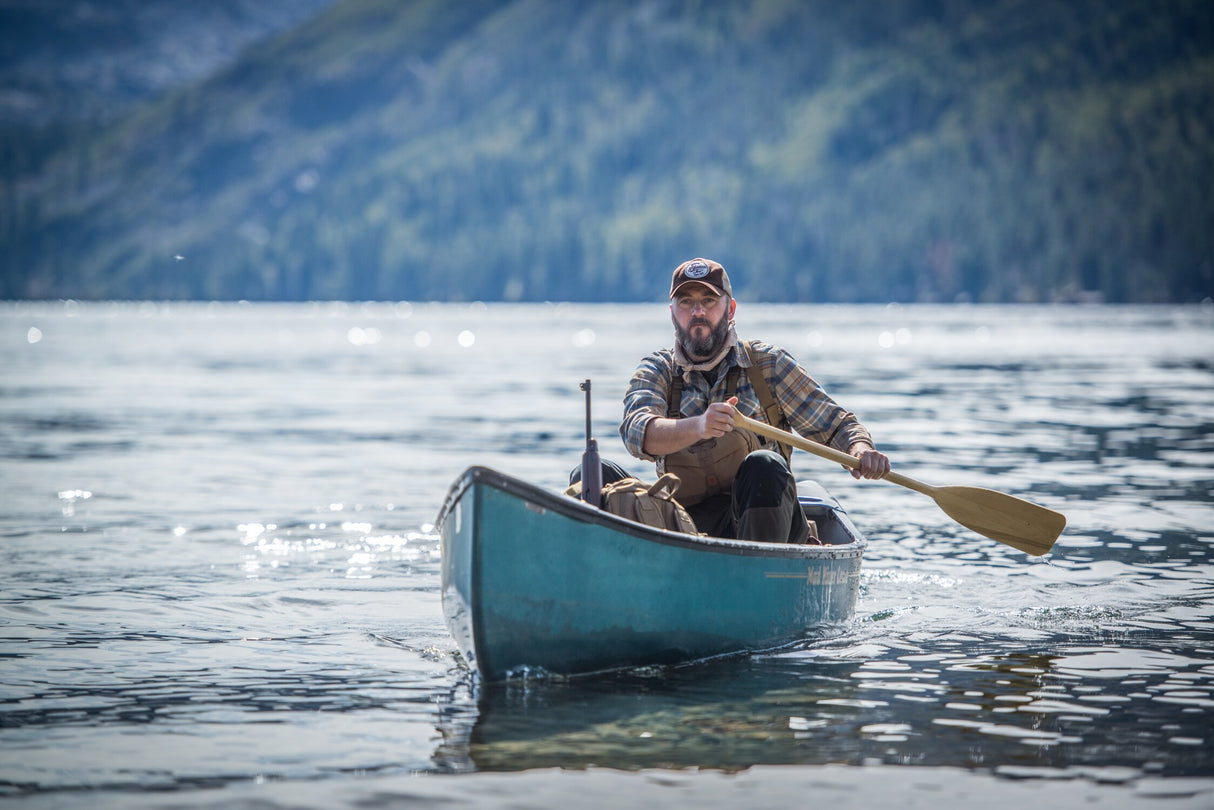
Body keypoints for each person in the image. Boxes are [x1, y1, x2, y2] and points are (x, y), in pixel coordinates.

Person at [618, 257, 890, 543]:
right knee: (597, 477)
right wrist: (699, 426)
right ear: (672, 313)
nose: (697, 311)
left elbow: (836, 425)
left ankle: (757, 574)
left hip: (770, 528)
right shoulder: (656, 369)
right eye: (686, 302)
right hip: (684, 527)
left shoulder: (768, 366)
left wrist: (860, 450)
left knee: (765, 465)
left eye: (709, 300)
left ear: (730, 309)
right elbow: (637, 432)